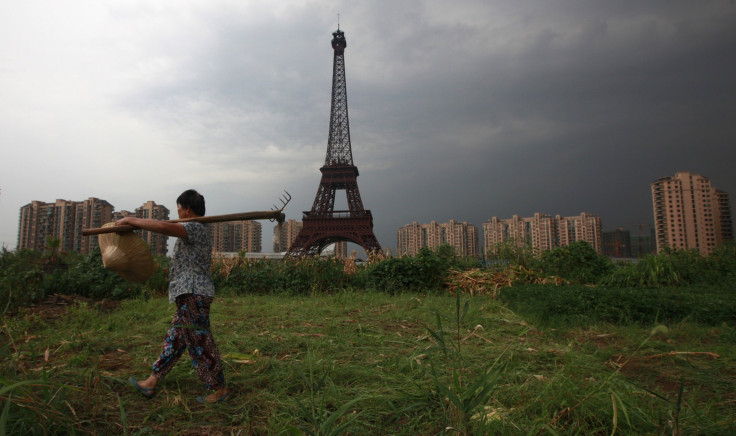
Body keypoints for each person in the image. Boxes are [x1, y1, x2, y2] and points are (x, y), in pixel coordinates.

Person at [119, 189, 229, 404]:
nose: (178, 212)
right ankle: (152, 381)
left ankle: (219, 389)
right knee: (175, 339)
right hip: (187, 294)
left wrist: (133, 220)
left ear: (187, 210)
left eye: (179, 208)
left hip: (193, 293)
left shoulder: (196, 228)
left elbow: (162, 227)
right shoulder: (195, 228)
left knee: (200, 342)